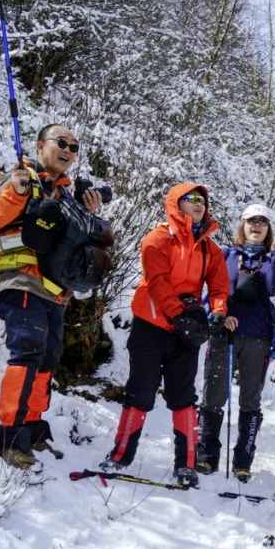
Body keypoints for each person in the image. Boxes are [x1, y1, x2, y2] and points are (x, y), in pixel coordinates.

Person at [0, 124, 103, 469]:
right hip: (18, 279)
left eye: (74, 147)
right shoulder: (20, 178)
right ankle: (10, 436)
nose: (67, 150)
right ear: (40, 145)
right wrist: (16, 193)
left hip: (52, 289)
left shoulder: (65, 194)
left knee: (47, 358)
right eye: (60, 142)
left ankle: (33, 430)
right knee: (28, 353)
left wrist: (87, 213)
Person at [100, 184, 231, 486]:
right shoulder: (158, 238)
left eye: (203, 200)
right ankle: (121, 455)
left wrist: (219, 312)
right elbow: (157, 283)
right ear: (176, 204)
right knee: (140, 391)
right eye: (192, 199)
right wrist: (180, 315)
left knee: (183, 396)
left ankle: (186, 464)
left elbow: (220, 285)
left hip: (187, 333)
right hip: (152, 326)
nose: (199, 204)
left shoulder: (209, 247)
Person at [196, 204, 275, 482]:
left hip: (257, 337)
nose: (257, 226)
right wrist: (220, 316)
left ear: (268, 229)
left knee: (250, 401)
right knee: (214, 396)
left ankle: (243, 461)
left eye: (263, 222)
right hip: (225, 334)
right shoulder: (225, 255)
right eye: (251, 221)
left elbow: (272, 287)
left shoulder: (270, 259)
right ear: (242, 225)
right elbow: (212, 291)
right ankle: (207, 456)